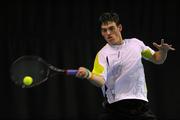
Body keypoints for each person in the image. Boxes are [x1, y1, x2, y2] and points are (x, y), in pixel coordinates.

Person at [76, 12, 175, 120]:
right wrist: (88, 74)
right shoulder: (102, 54)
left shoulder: (136, 44)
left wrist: (163, 51)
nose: (108, 33)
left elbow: (157, 59)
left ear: (119, 28)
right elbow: (100, 81)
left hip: (140, 105)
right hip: (115, 108)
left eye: (111, 28)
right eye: (104, 30)